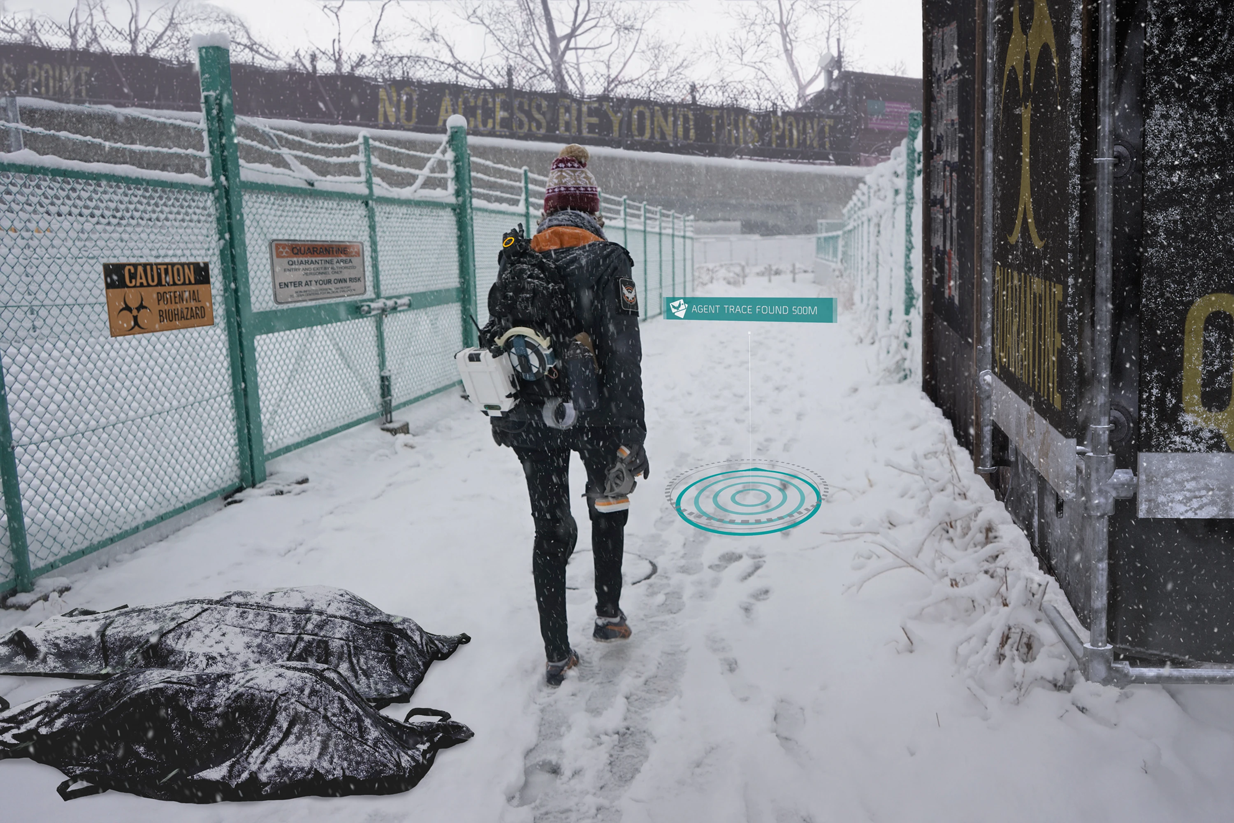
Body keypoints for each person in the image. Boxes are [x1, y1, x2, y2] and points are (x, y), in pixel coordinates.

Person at [489, 144, 649, 687]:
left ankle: (557, 651)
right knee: (608, 503)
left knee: (550, 528)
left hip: (534, 415)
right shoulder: (607, 259)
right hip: (597, 411)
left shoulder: (520, 261)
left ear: (547, 211)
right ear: (592, 209)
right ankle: (608, 615)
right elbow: (623, 354)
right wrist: (634, 432)